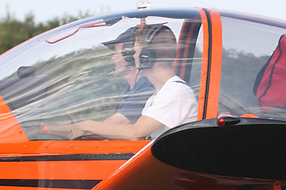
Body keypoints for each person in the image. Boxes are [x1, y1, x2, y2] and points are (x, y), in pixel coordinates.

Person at [60, 24, 198, 140]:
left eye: (136, 51)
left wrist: (86, 125)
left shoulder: (176, 92)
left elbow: (136, 133)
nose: (132, 56)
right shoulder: (158, 96)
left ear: (146, 56)